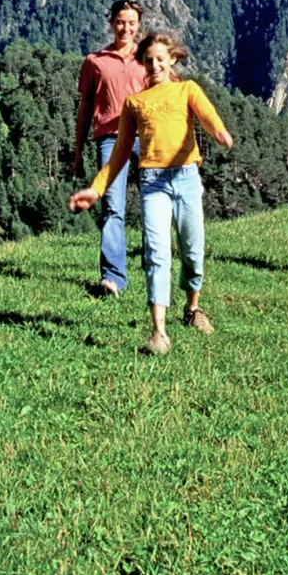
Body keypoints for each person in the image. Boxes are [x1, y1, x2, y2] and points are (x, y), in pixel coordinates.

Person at [69, 31, 234, 355]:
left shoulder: (187, 89)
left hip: (186, 179)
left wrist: (219, 132)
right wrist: (96, 189)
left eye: (160, 59)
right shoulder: (135, 103)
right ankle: (159, 332)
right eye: (148, 60)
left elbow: (207, 114)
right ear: (142, 64)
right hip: (153, 183)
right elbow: (118, 154)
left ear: (172, 59)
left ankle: (192, 308)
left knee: (193, 252)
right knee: (157, 254)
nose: (155, 65)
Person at [72, 0, 150, 296]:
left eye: (131, 23)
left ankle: (154, 265)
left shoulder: (148, 59)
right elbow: (85, 108)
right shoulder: (95, 61)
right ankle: (113, 278)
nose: (125, 28)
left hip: (146, 138)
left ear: (138, 25)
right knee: (112, 207)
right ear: (111, 23)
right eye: (120, 22)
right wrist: (78, 150)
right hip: (109, 138)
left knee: (152, 204)